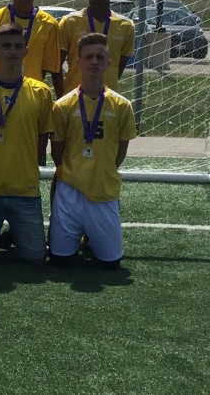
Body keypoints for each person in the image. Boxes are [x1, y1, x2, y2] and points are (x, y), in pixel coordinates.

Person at [50, 32, 137, 269]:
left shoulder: (122, 105)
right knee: (60, 260)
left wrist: (102, 169)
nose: (94, 62)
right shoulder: (62, 106)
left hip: (103, 191)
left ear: (108, 62)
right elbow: (57, 152)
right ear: (78, 62)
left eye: (100, 57)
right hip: (70, 191)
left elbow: (120, 151)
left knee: (110, 264)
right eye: (89, 57)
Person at [0, 23, 53, 265]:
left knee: (37, 260)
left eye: (17, 46)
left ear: (26, 50)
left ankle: (15, 233)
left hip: (24, 191)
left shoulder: (41, 92)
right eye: (6, 46)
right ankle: (5, 234)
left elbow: (42, 136)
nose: (12, 52)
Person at [58, 0, 135, 94]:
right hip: (74, 101)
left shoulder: (126, 26)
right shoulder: (69, 22)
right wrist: (62, 99)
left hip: (108, 102)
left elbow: (117, 69)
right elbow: (56, 68)